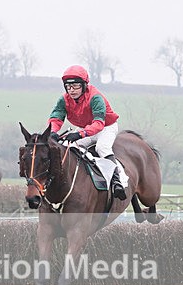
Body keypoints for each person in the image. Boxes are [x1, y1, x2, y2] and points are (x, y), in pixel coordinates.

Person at [46, 65, 126, 201]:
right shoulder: (64, 100)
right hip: (87, 128)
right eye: (68, 87)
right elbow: (56, 118)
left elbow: (99, 124)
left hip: (106, 127)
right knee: (68, 147)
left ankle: (117, 181)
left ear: (84, 85)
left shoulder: (95, 98)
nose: (71, 90)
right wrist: (53, 132)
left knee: (102, 148)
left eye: (76, 86)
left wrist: (80, 134)